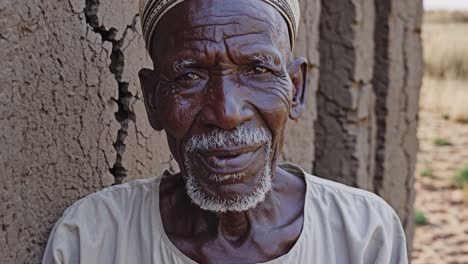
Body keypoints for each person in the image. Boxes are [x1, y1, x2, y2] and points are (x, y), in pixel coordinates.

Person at [42, 0, 408, 263]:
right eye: (189, 76)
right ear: (153, 100)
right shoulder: (92, 239)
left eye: (257, 70)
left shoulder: (364, 236)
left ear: (295, 89)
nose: (227, 113)